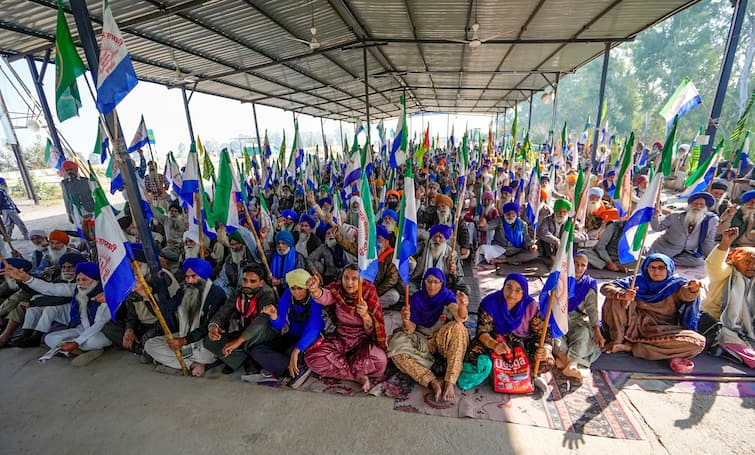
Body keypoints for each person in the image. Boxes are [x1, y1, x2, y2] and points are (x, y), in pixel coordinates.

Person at [600, 253, 706, 360]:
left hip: (661, 329)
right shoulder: (637, 281)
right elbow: (606, 287)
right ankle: (617, 340)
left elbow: (686, 294)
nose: (656, 271)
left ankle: (633, 347)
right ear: (646, 269)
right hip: (633, 325)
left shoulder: (676, 284)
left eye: (661, 268)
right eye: (652, 268)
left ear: (669, 268)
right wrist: (623, 295)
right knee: (614, 297)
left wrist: (693, 289)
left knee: (697, 343)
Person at [387, 269, 469, 402]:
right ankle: (432, 381)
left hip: (441, 340)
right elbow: (410, 330)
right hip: (421, 340)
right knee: (395, 350)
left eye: (436, 282)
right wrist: (406, 320)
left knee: (458, 328)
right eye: (429, 281)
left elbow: (460, 317)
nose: (431, 285)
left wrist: (462, 306)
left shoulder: (447, 296)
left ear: (442, 284)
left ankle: (450, 381)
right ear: (423, 282)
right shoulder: (416, 298)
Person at [460, 273, 554, 389]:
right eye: (509, 287)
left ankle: (519, 372)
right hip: (495, 340)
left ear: (524, 292)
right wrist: (495, 345)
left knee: (546, 361)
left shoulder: (530, 306)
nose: (512, 294)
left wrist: (546, 349)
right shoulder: (490, 303)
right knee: (472, 356)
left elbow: (543, 332)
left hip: (521, 342)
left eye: (518, 290)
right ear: (503, 287)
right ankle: (515, 372)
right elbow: (482, 331)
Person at [304, 264, 388, 392]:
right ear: (341, 278)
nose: (349, 283)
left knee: (381, 361)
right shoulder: (337, 290)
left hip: (362, 340)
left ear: (361, 280)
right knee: (312, 358)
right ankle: (357, 375)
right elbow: (325, 296)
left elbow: (372, 329)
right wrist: (315, 290)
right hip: (341, 338)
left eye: (354, 279)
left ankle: (344, 366)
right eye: (346, 278)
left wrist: (365, 315)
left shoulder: (368, 291)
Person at [144, 258, 225, 377]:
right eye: (187, 277)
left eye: (194, 276)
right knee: (150, 345)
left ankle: (184, 361)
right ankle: (193, 364)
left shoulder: (217, 294)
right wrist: (147, 296)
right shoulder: (183, 291)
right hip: (184, 336)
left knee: (209, 353)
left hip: (204, 341)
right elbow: (165, 310)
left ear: (203, 276)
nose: (189, 281)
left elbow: (207, 326)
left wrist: (184, 341)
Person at [250, 269, 325, 387]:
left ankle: (285, 368)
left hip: (309, 339)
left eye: (300, 288)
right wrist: (274, 316)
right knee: (256, 351)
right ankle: (294, 369)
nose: (296, 292)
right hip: (292, 334)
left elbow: (314, 327)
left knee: (290, 354)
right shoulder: (287, 294)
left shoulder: (315, 298)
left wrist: (297, 350)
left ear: (307, 287)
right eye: (293, 288)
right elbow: (279, 324)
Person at [203, 265, 279, 373]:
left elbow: (261, 321)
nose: (247, 284)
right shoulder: (240, 291)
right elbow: (225, 309)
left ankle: (242, 357)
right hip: (243, 326)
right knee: (209, 341)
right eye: (245, 280)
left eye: (252, 281)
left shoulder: (267, 294)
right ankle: (240, 359)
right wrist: (214, 325)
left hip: (263, 331)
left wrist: (238, 341)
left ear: (261, 283)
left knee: (250, 338)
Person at [703, 227, 755, 367]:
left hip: (745, 326)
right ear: (735, 261)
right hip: (717, 321)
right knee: (729, 337)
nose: (752, 266)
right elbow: (713, 265)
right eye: (747, 262)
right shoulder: (726, 272)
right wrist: (725, 242)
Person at [43, 262, 112, 366]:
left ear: (96, 281)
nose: (80, 283)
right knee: (50, 338)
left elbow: (100, 324)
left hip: (101, 331)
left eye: (84, 280)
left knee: (93, 342)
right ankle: (82, 351)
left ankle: (80, 349)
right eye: (78, 280)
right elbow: (53, 289)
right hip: (82, 329)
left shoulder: (104, 296)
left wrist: (77, 342)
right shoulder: (80, 295)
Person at [553, 253, 604, 378]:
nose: (579, 268)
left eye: (583, 265)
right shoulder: (559, 279)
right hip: (558, 317)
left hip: (577, 319)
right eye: (576, 264)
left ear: (586, 267)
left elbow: (592, 310)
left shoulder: (588, 284)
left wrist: (597, 331)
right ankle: (571, 363)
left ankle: (567, 362)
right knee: (555, 338)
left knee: (584, 334)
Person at [649, 192, 719, 267]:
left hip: (687, 252)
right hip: (666, 247)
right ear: (689, 205)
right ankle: (662, 259)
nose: (698, 206)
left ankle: (666, 261)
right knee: (653, 258)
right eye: (695, 203)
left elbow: (708, 241)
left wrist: (711, 258)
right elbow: (657, 228)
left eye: (701, 204)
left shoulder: (709, 221)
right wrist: (655, 217)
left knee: (699, 262)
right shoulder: (675, 216)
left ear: (705, 207)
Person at [410, 224, 469, 294]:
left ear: (445, 239)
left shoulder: (452, 254)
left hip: (445, 284)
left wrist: (454, 272)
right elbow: (410, 256)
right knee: (407, 286)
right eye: (435, 237)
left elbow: (459, 278)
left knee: (466, 290)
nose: (437, 240)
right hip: (422, 281)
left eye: (440, 237)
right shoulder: (423, 247)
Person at [476, 202, 539, 266]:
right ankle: (512, 260)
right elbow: (487, 227)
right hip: (500, 250)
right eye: (508, 214)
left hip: (517, 251)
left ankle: (503, 261)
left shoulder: (523, 224)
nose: (510, 216)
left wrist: (530, 246)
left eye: (512, 214)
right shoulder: (499, 220)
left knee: (535, 253)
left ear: (516, 214)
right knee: (483, 248)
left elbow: (526, 240)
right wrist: (482, 225)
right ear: (504, 214)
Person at [268, 230, 305, 295]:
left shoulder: (298, 257)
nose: (280, 246)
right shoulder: (273, 254)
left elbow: (299, 275)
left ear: (289, 244)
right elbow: (259, 254)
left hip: (292, 290)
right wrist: (262, 239)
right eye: (278, 243)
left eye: (283, 243)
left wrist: (281, 281)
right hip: (274, 289)